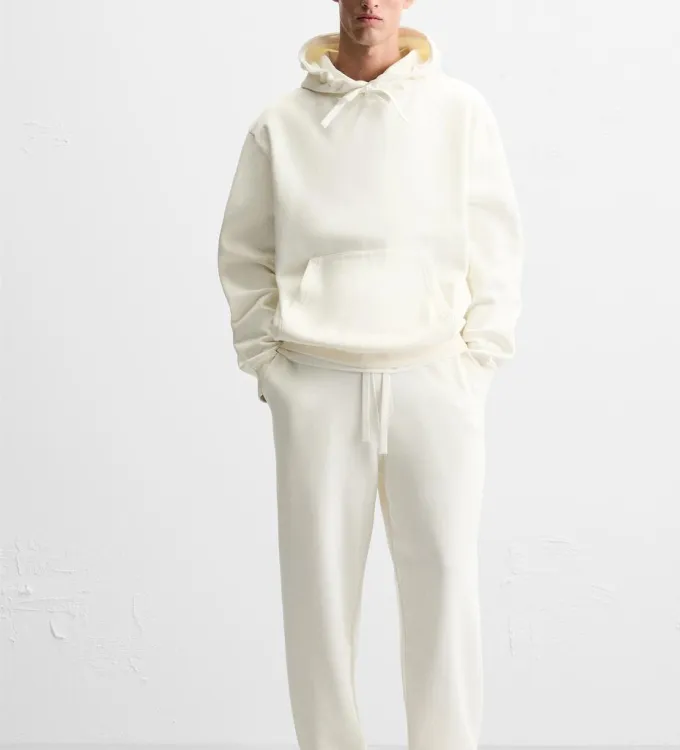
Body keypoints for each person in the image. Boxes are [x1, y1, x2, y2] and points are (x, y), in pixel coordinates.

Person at [217, 1, 525, 748]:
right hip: (317, 382)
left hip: (433, 379)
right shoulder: (280, 125)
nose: (370, 2)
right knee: (318, 600)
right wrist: (271, 366)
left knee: (445, 589)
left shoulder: (460, 113)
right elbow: (245, 253)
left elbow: (496, 247)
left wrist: (476, 362)